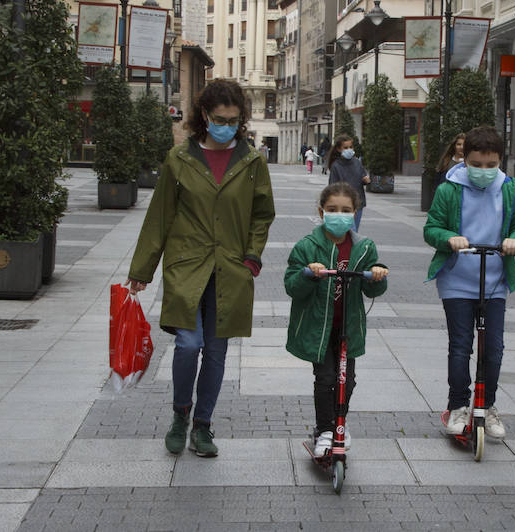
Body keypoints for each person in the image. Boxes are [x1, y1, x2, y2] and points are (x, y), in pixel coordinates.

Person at [126, 79, 276, 459]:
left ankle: (203, 427)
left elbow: (263, 215)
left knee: (217, 352)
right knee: (188, 345)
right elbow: (159, 217)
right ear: (204, 116)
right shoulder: (179, 159)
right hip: (186, 265)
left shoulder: (253, 161)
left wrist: (252, 256)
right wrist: (142, 270)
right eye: (220, 118)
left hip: (231, 268)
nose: (227, 125)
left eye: (234, 119)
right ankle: (180, 416)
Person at [424, 126, 515, 439]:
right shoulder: (449, 189)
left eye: (491, 165)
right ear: (465, 159)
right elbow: (432, 228)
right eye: (476, 164)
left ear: (500, 161)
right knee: (461, 347)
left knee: (494, 349)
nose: (483, 171)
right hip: (457, 279)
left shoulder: (510, 189)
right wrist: (449, 238)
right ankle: (458, 405)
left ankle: (488, 404)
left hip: (495, 280)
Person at [284, 183, 389, 457]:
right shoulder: (307, 246)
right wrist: (308, 273)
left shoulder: (363, 247)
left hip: (348, 328)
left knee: (348, 380)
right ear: (321, 212)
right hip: (319, 329)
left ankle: (338, 423)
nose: (339, 215)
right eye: (332, 210)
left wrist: (377, 275)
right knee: (326, 378)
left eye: (345, 210)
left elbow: (372, 288)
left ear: (355, 213)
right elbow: (292, 286)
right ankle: (325, 429)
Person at [326, 134, 370, 230]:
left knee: (354, 231)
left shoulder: (357, 162)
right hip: (344, 204)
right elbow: (332, 187)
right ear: (339, 149)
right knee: (351, 231)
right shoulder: (336, 166)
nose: (349, 150)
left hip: (358, 203)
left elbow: (363, 177)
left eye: (350, 147)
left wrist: (366, 180)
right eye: (345, 148)